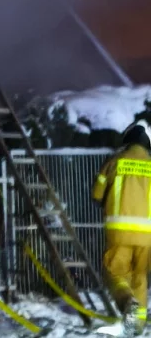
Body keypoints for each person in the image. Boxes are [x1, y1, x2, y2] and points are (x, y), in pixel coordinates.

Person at [93, 118, 151, 336]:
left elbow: (96, 195)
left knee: (115, 272)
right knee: (140, 276)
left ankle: (128, 304)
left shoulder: (114, 161)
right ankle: (137, 326)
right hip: (148, 235)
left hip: (120, 231)